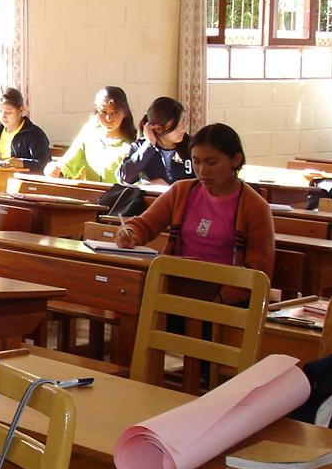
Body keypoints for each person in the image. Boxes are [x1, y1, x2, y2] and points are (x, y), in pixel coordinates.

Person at [115, 124, 275, 305]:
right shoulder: (181, 191)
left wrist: (219, 300)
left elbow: (259, 274)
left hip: (224, 299)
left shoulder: (255, 206)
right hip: (177, 287)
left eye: (211, 162)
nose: (202, 171)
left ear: (236, 160)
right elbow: (145, 224)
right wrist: (130, 233)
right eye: (196, 161)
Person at [47, 86, 136, 182]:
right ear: (97, 111)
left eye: (115, 112)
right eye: (104, 112)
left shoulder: (135, 141)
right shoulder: (89, 133)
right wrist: (54, 169)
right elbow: (69, 163)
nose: (108, 119)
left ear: (125, 113)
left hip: (122, 196)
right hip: (90, 195)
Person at [119, 97, 194, 186]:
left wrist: (170, 188)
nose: (183, 129)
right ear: (158, 128)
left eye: (184, 122)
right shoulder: (141, 147)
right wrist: (149, 144)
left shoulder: (192, 145)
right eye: (177, 125)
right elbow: (125, 178)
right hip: (154, 199)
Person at [0, 87, 51, 171]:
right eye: (0, 111)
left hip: (22, 180)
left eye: (8, 112)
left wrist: (23, 163)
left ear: (21, 110)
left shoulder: (34, 134)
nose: (3, 116)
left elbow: (46, 164)